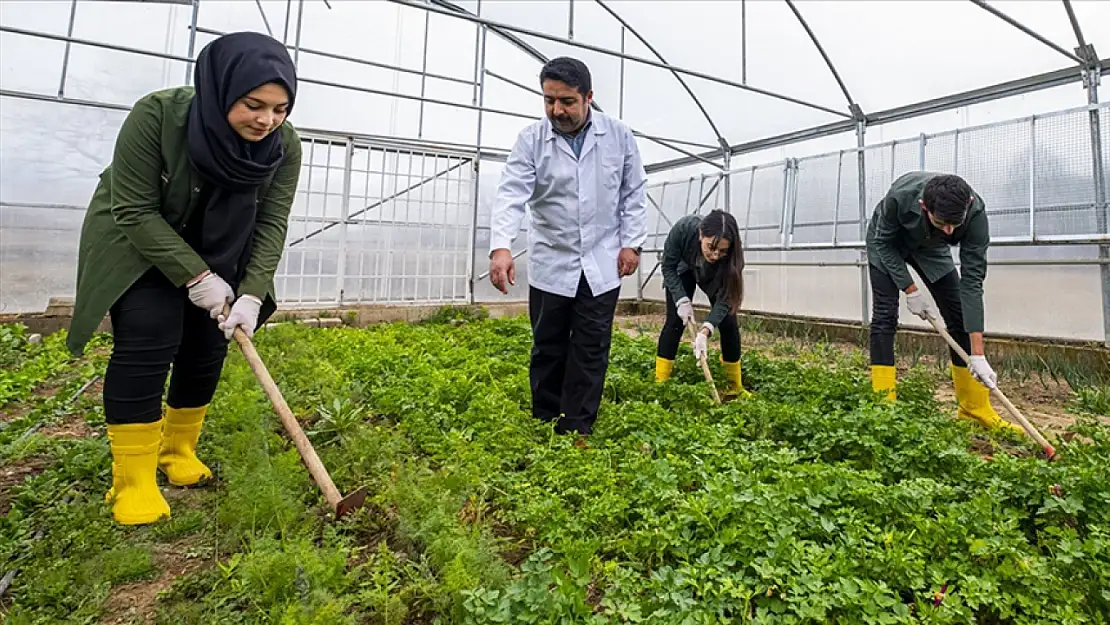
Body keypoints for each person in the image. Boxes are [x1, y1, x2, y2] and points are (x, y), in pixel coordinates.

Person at [66, 31, 302, 525]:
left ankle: (178, 452)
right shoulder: (157, 116)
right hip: (140, 244)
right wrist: (196, 277)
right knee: (149, 337)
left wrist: (252, 294)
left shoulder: (284, 147)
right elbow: (132, 208)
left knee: (207, 345)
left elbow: (271, 222)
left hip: (225, 248)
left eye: (279, 109)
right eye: (253, 105)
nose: (266, 120)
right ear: (221, 90)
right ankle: (131, 481)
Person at [488, 56, 647, 438]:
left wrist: (632, 244)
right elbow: (511, 194)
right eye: (548, 100)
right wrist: (501, 248)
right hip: (552, 261)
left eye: (566, 101)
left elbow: (634, 192)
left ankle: (577, 427)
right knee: (549, 345)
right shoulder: (531, 140)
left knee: (591, 348)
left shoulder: (619, 136)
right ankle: (546, 419)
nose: (556, 110)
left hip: (601, 259)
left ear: (588, 97)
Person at [866, 171, 1022, 434]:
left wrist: (978, 354)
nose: (950, 231)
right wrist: (910, 289)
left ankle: (974, 410)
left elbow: (972, 282)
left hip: (931, 249)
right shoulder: (899, 197)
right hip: (887, 244)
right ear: (924, 207)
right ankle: (884, 408)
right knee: (884, 317)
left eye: (955, 224)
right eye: (942, 223)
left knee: (958, 317)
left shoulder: (975, 215)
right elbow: (883, 243)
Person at [654, 210, 750, 397]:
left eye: (722, 250)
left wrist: (706, 330)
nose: (715, 254)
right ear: (701, 235)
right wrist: (681, 299)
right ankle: (660, 382)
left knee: (728, 321)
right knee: (675, 322)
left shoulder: (732, 259)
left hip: (714, 275)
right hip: (683, 269)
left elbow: (726, 298)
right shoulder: (683, 229)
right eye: (711, 247)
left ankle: (734, 387)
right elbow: (668, 266)